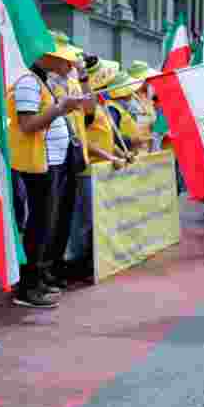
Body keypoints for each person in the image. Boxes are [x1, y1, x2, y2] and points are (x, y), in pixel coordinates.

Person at [6, 35, 86, 308]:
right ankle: (28, 287)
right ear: (45, 57)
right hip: (36, 164)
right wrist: (59, 109)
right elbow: (27, 124)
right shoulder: (28, 82)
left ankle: (37, 279)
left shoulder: (41, 82)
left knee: (46, 223)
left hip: (50, 162)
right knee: (38, 225)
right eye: (61, 58)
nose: (66, 64)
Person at [65, 58, 126, 282]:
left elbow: (106, 137)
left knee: (96, 219)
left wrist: (121, 153)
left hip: (102, 171)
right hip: (88, 172)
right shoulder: (85, 108)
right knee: (84, 221)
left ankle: (91, 262)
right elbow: (86, 142)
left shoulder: (102, 106)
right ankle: (78, 263)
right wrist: (111, 156)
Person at [44, 35, 96, 289]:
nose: (71, 65)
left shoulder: (73, 80)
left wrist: (84, 78)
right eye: (66, 60)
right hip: (53, 157)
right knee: (51, 215)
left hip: (75, 154)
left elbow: (90, 110)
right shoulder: (47, 83)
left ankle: (56, 265)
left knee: (65, 213)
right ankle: (47, 267)